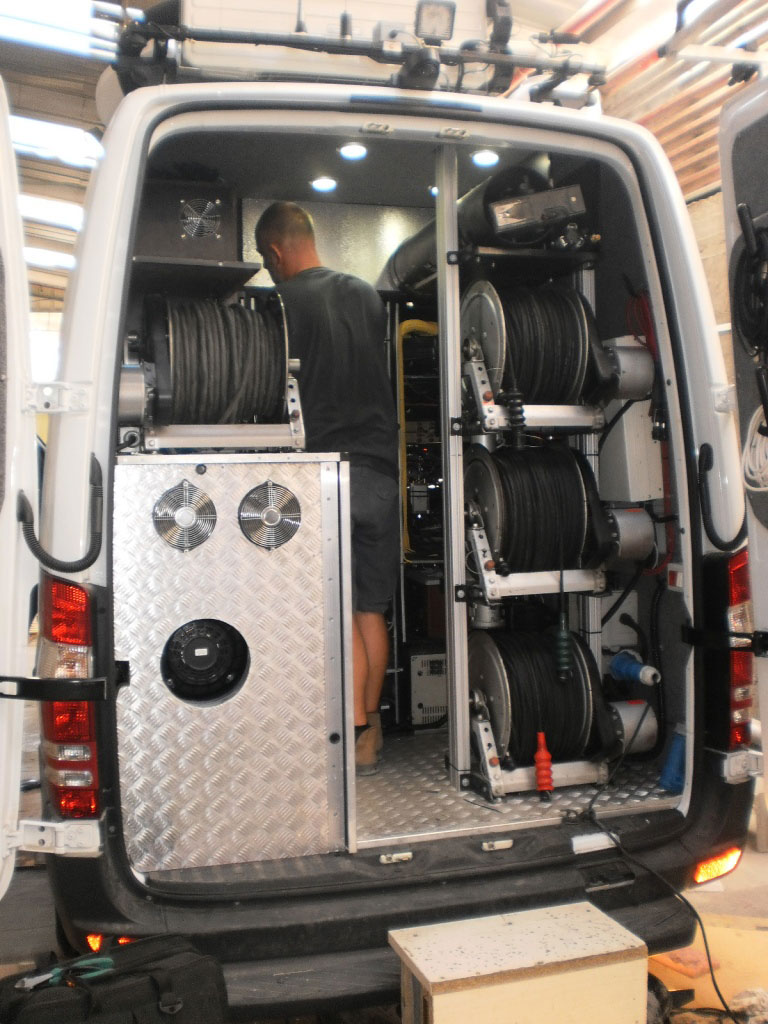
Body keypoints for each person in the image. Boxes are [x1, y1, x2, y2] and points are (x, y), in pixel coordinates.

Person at [255, 202, 399, 774]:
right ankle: (372, 730)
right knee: (369, 610)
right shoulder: (366, 295)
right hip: (381, 473)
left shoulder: (279, 303)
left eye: (266, 259)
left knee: (336, 611)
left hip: (327, 475)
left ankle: (353, 735)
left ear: (274, 252)